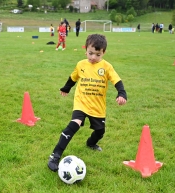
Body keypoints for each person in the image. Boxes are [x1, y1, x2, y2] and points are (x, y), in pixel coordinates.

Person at [47, 34, 127, 172]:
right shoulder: (81, 65)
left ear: (103, 53)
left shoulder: (107, 67)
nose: (93, 57)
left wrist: (122, 93)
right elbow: (73, 78)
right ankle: (55, 155)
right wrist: (66, 88)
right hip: (81, 103)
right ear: (86, 50)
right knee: (74, 124)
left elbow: (117, 81)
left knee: (100, 131)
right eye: (90, 53)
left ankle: (91, 143)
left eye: (97, 54)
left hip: (97, 107)